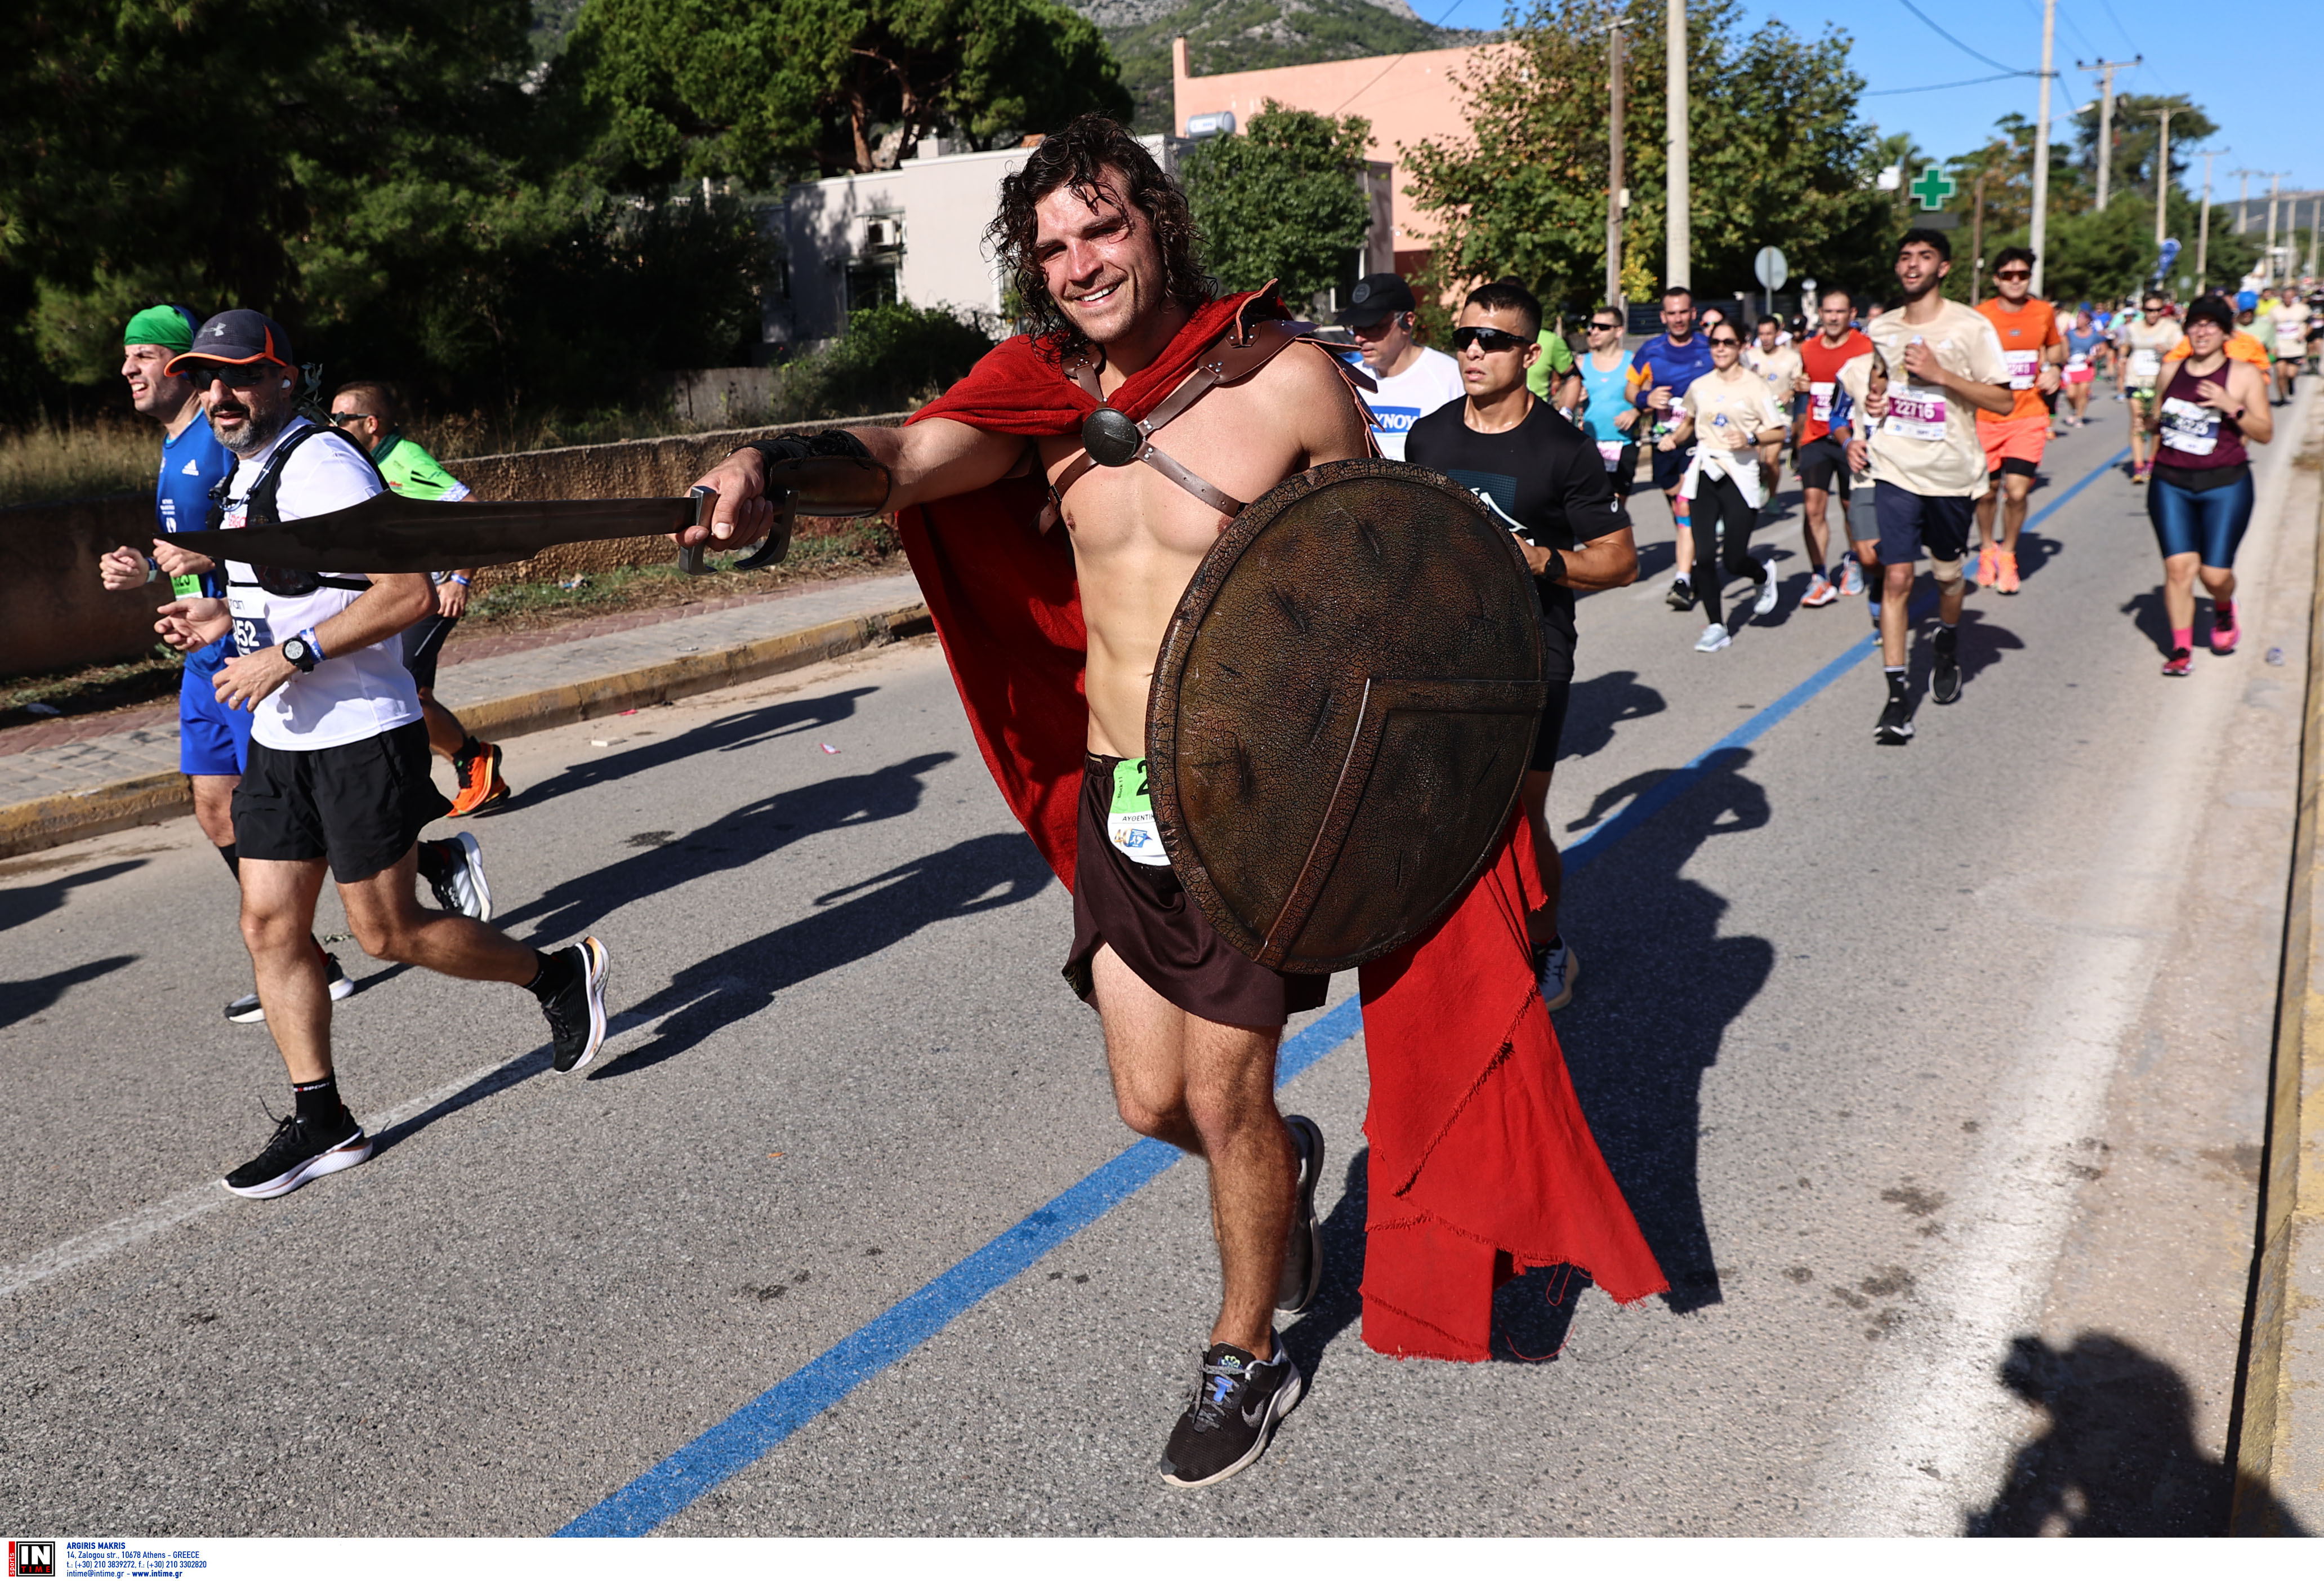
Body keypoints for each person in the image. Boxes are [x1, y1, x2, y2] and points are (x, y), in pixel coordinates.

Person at [681, 116, 1665, 1486]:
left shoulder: (1288, 383)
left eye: (1103, 227)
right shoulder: (1044, 403)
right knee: (1153, 1104)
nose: (1081, 262)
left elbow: (1382, 590)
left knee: (1223, 1087)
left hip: (1258, 808)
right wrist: (770, 469)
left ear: (1158, 226)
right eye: (1053, 247)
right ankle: (1281, 1163)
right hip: (1120, 796)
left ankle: (1242, 1347)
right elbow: (900, 461)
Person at [151, 310, 612, 1199]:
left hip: (360, 731)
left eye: (242, 375)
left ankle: (556, 972)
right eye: (208, 378)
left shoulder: (321, 463)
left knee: (385, 931)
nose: (221, 394)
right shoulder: (245, 475)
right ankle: (321, 1117)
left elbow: (405, 594)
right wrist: (216, 619)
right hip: (283, 740)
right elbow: (290, 591)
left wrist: (289, 656)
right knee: (268, 925)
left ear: (286, 379)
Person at [96, 306, 359, 1021]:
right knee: (216, 810)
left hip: (252, 649)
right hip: (205, 647)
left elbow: (268, 539)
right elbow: (197, 548)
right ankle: (307, 955)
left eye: (145, 354)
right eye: (128, 355)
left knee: (292, 811)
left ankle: (428, 863)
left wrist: (206, 568)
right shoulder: (177, 444)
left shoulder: (227, 441)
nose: (128, 368)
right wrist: (150, 570)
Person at [1406, 279, 1638, 1015]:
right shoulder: (1429, 437)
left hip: (1533, 648)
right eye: (1464, 337)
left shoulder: (1562, 450)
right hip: (1448, 648)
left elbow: (1619, 560)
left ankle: (1545, 943)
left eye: (1493, 340)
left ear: (1529, 354)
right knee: (1447, 804)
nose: (1473, 351)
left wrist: (1543, 560)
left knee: (1518, 810)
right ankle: (1467, 944)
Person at [1853, 229, 2014, 744]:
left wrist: (1942, 375)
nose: (1912, 265)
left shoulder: (1970, 326)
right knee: (1896, 577)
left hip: (1950, 473)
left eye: (1924, 257)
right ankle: (1896, 697)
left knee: (1947, 577)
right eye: (1905, 257)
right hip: (1895, 466)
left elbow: (2003, 401)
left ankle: (1946, 640)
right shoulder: (1882, 326)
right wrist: (1876, 402)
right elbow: (1880, 378)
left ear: (1943, 268)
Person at [327, 381, 509, 817]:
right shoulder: (361, 462)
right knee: (406, 691)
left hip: (431, 594)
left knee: (406, 691)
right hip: (396, 595)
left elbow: (474, 511)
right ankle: (472, 768)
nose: (331, 427)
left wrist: (460, 579)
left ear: (371, 424)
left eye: (340, 419)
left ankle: (473, 760)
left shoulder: (406, 459)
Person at [2144, 295, 2276, 675]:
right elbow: (2159, 418)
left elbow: (2265, 433)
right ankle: (2180, 649)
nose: (2202, 332)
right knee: (2178, 570)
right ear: (2187, 330)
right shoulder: (2170, 370)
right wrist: (2151, 423)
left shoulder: (2244, 375)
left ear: (2225, 333)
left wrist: (2230, 405)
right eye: (2195, 324)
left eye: (2211, 325)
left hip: (2225, 485)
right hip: (2170, 483)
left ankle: (2223, 606)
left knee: (2214, 575)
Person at [1661, 319, 1788, 651]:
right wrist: (1674, 439)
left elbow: (1779, 431)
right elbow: (1688, 422)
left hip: (1740, 473)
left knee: (1733, 560)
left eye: (1728, 342)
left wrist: (1750, 438)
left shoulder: (1756, 387)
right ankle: (1717, 625)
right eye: (1715, 342)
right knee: (1704, 557)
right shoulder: (1700, 385)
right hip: (1705, 470)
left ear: (1741, 346)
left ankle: (1762, 575)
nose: (1720, 348)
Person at [1971, 247, 2065, 595]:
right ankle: (1987, 548)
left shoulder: (2042, 312)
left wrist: (2055, 369)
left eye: (2022, 275)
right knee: (1986, 493)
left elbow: (2055, 348)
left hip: (2028, 415)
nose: (2015, 281)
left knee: (2017, 491)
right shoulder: (1980, 316)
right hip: (1986, 417)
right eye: (2008, 275)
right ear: (1996, 279)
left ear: (2030, 278)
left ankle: (2008, 554)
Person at [1628, 287, 1716, 610]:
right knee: (1677, 506)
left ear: (1693, 314)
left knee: (1686, 506)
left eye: (1683, 312)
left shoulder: (1709, 348)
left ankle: (1685, 576)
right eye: (1672, 313)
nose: (1678, 319)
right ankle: (1693, 559)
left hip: (1700, 440)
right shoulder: (1651, 350)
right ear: (1663, 316)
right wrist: (1646, 398)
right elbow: (1630, 390)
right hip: (1664, 440)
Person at [1794, 288, 1875, 604]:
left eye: (1840, 312)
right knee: (1813, 507)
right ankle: (1819, 576)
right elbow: (1803, 385)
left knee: (1850, 507)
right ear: (1820, 314)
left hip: (1851, 438)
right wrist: (1800, 387)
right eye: (1828, 311)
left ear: (1852, 314)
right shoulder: (1808, 348)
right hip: (1816, 437)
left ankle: (1854, 561)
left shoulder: (1865, 347)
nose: (1833, 318)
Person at [1339, 273, 1464, 461]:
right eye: (1355, 327)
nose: (1359, 338)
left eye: (1372, 327)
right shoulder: (1347, 379)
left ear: (1408, 321)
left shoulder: (1450, 378)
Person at [1572, 305, 1641, 497]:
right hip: (1589, 444)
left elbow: (1649, 398)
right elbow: (1563, 402)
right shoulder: (1580, 363)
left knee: (1617, 504)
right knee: (1590, 502)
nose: (1595, 331)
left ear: (1618, 331)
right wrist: (1575, 397)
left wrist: (1636, 411)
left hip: (1623, 443)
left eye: (1603, 327)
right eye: (1593, 326)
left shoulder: (1633, 362)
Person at [1743, 314, 1804, 514]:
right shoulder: (1750, 357)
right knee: (1755, 461)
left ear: (1778, 333)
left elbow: (1799, 383)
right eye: (1762, 334)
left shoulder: (1792, 357)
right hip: (1754, 416)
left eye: (1769, 334)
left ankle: (1773, 497)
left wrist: (1790, 392)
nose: (1765, 338)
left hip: (1780, 416)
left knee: (1771, 460)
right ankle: (1757, 488)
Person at [2123, 293, 2183, 480]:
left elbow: (2182, 351)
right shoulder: (2133, 328)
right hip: (2136, 380)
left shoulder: (2171, 328)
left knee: (2156, 422)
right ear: (2143, 310)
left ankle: (2152, 462)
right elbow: (2125, 346)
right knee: (2138, 421)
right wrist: (2122, 359)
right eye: (2150, 310)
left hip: (2160, 382)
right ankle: (2138, 467)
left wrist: (2168, 350)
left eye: (2158, 310)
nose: (2154, 314)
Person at [2061, 306, 2106, 428]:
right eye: (2077, 319)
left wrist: (2094, 357)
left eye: (2081, 319)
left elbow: (2103, 350)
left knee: (2083, 393)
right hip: (2071, 367)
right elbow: (2064, 348)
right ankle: (2074, 409)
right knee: (2070, 394)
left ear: (2087, 320)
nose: (2078, 321)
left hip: (2086, 367)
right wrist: (2065, 356)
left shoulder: (2094, 335)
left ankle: (2079, 417)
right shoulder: (2070, 334)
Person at [2271, 290, 2309, 403]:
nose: (2288, 299)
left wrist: (2304, 335)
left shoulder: (2303, 309)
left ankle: (2291, 382)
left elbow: (2311, 324)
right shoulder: (2275, 310)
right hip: (2280, 347)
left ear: (2294, 297)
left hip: (2296, 348)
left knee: (2291, 374)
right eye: (2286, 296)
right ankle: (2282, 397)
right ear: (2282, 297)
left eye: (2290, 297)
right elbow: (2269, 327)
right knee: (2280, 374)